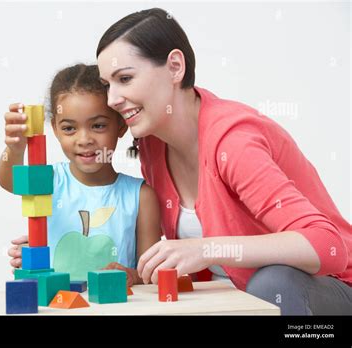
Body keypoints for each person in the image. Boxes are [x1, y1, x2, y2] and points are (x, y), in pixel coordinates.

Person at [96, 8, 351, 314]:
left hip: (323, 294)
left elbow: (328, 245)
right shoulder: (152, 144)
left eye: (125, 78)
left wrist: (208, 249)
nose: (112, 99)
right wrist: (139, 274)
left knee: (271, 283)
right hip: (236, 303)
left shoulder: (233, 142)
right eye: (107, 85)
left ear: (175, 67)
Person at [0, 64, 161, 286]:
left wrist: (133, 276)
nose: (84, 139)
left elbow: (150, 274)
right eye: (69, 128)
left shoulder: (141, 196)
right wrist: (15, 149)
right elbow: (10, 181)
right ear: (55, 128)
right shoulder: (50, 180)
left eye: (98, 125)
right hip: (55, 308)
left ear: (121, 126)